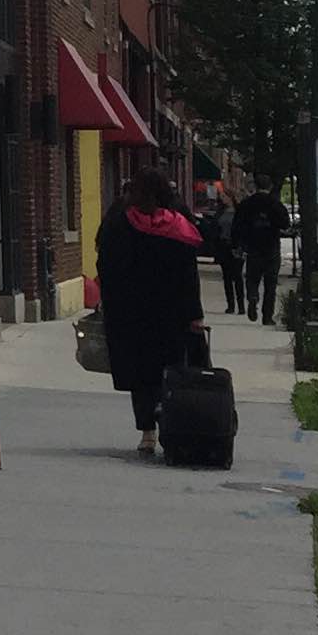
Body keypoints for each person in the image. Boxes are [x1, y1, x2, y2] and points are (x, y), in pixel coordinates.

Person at [95, 166, 206, 454]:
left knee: (140, 372)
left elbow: (105, 264)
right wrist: (195, 313)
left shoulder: (119, 220)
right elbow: (188, 274)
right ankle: (173, 422)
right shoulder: (178, 223)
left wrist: (109, 300)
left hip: (131, 311)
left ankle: (147, 432)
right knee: (173, 370)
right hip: (172, 312)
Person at [231, 182, 287, 324]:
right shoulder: (275, 204)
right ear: (270, 187)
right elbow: (285, 223)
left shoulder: (247, 204)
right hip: (271, 247)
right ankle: (267, 316)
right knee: (271, 283)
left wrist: (236, 245)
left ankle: (252, 296)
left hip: (253, 247)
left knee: (252, 278)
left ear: (255, 186)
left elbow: (237, 225)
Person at [203, 186, 245, 315]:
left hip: (236, 246)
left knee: (237, 276)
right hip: (223, 246)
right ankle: (230, 305)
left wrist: (241, 246)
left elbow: (243, 229)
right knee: (226, 276)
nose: (222, 199)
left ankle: (241, 305)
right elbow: (214, 228)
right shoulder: (220, 212)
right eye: (221, 197)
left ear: (230, 197)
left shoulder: (239, 212)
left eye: (224, 196)